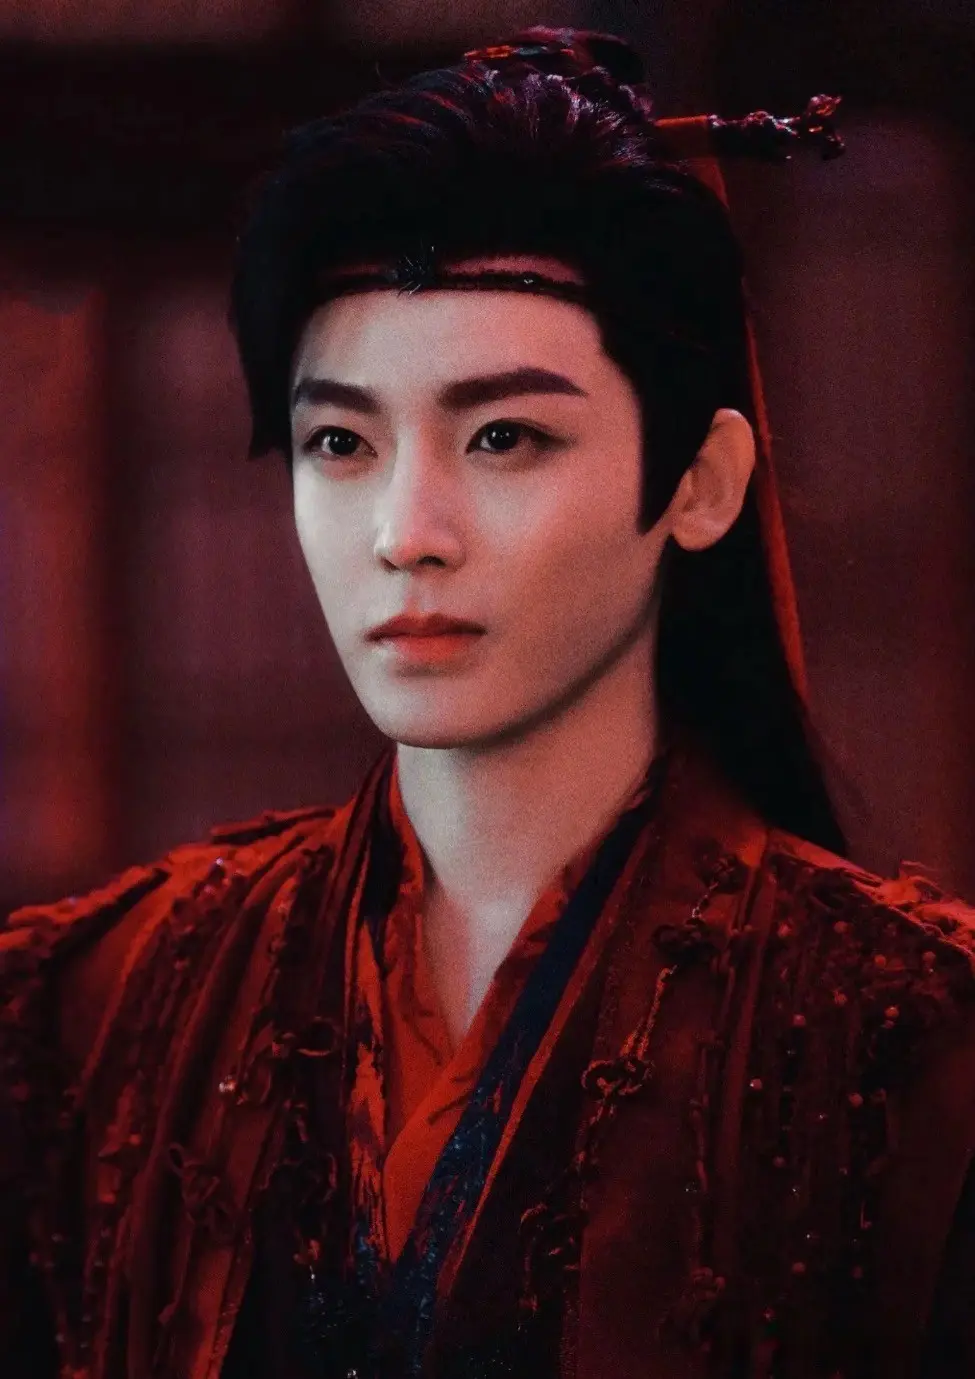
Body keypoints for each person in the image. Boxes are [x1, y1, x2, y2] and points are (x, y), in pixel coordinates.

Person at [2, 24, 974, 1379]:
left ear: (699, 482)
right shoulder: (85, 1006)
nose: (408, 531)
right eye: (341, 440)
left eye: (505, 435)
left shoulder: (912, 1039)